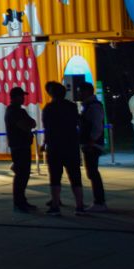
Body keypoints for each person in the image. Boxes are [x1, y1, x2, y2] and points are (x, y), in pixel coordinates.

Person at [0, 3, 46, 154]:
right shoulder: (1, 42)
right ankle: (2, 141)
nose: (15, 25)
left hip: (27, 81)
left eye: (18, 22)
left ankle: (38, 141)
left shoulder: (28, 38)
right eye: (11, 23)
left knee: (35, 107)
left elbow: (41, 43)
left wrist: (33, 15)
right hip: (2, 83)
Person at [41, 82, 85, 216]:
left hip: (55, 145)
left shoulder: (49, 108)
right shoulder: (71, 106)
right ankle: (79, 206)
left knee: (55, 177)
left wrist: (44, 143)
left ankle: (55, 205)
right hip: (71, 144)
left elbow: (48, 128)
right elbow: (79, 122)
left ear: (51, 94)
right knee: (75, 176)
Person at [6, 87, 37, 213]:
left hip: (22, 145)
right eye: (21, 96)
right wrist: (28, 124)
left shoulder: (19, 111)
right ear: (15, 97)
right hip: (19, 146)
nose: (23, 98)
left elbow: (33, 123)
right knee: (21, 175)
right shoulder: (14, 111)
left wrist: (29, 124)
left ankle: (22, 200)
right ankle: (19, 202)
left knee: (24, 174)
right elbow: (26, 125)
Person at [79, 82, 108, 212]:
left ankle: (99, 202)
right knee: (92, 172)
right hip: (91, 143)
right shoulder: (90, 106)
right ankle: (99, 201)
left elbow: (97, 126)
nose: (79, 93)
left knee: (93, 172)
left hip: (93, 144)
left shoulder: (93, 107)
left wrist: (91, 140)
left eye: (81, 91)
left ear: (87, 92)